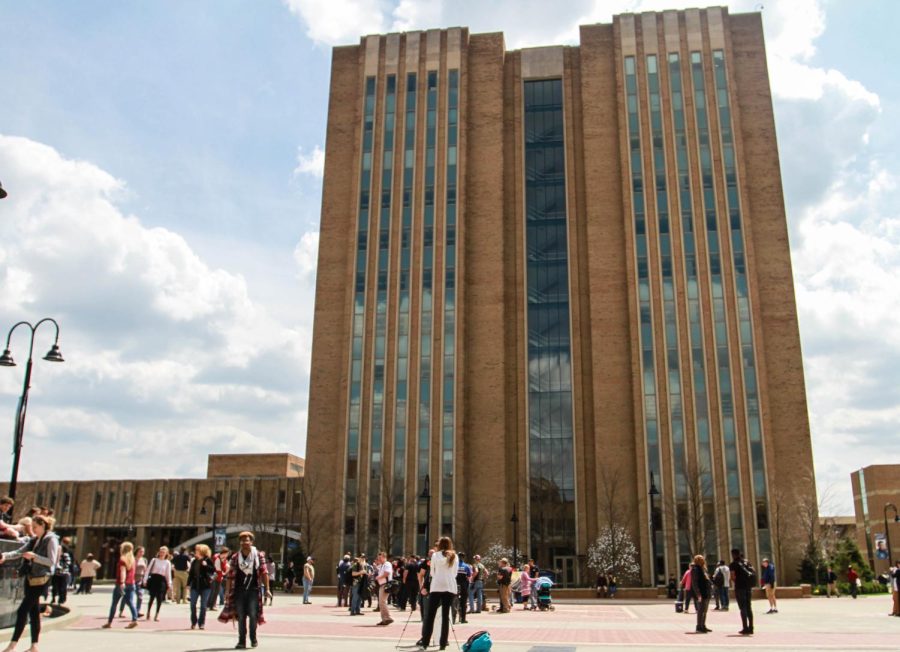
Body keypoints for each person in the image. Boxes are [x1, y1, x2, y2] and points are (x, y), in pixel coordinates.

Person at [0, 514, 60, 652]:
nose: (32, 529)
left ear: (43, 526)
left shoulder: (51, 540)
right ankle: (34, 646)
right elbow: (20, 551)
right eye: (32, 527)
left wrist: (35, 557)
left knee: (22, 611)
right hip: (30, 579)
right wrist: (5, 556)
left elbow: (51, 562)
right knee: (33, 611)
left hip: (42, 580)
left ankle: (12, 645)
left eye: (35, 527)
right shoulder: (34, 540)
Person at [218, 531, 271, 650]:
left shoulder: (258, 555)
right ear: (240, 543)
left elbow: (264, 572)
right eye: (242, 541)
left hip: (254, 590)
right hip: (239, 590)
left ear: (251, 542)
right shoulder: (236, 557)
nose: (245, 543)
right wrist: (227, 591)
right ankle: (241, 641)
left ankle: (253, 638)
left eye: (247, 540)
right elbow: (230, 575)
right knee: (241, 616)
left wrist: (267, 588)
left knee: (253, 615)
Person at [417, 538, 458, 651]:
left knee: (431, 615)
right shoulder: (455, 556)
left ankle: (425, 642)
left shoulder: (435, 555)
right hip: (449, 586)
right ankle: (443, 643)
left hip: (436, 586)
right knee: (445, 616)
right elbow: (454, 573)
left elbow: (432, 572)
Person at [102, 541, 139, 630]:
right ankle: (134, 619)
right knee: (130, 602)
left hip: (121, 584)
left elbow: (123, 571)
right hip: (131, 583)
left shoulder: (122, 559)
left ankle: (109, 622)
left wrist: (122, 582)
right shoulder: (133, 560)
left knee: (114, 603)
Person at [187, 544, 215, 630]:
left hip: (205, 586)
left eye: (197, 550)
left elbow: (213, 570)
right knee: (192, 604)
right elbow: (191, 573)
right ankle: (193, 621)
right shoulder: (194, 561)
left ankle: (201, 622)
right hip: (195, 585)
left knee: (203, 606)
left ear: (202, 551)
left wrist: (206, 565)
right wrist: (188, 584)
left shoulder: (208, 560)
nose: (196, 551)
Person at [143, 546, 173, 621]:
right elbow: (148, 570)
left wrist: (169, 584)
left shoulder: (167, 562)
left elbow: (168, 574)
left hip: (162, 580)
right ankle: (148, 612)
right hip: (154, 579)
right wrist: (145, 580)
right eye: (161, 551)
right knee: (151, 597)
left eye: (163, 552)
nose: (162, 553)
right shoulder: (154, 560)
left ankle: (157, 614)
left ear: (166, 553)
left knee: (159, 598)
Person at [730, 548, 755, 635]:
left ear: (733, 554)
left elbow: (733, 577)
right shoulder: (747, 562)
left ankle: (745, 627)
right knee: (749, 607)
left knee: (742, 608)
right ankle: (751, 627)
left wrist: (737, 581)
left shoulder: (733, 564)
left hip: (740, 588)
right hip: (748, 587)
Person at [121, 546, 147, 618]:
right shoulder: (132, 559)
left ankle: (137, 611)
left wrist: (145, 578)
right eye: (140, 551)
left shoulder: (144, 560)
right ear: (137, 552)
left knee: (140, 596)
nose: (142, 553)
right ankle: (121, 611)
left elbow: (145, 570)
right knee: (126, 596)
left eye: (143, 552)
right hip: (131, 579)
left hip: (140, 579)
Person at [690, 555, 712, 634]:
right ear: (697, 561)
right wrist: (698, 593)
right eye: (701, 560)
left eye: (703, 559)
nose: (703, 561)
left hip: (706, 592)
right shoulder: (695, 569)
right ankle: (699, 626)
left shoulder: (703, 569)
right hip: (701, 592)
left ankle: (703, 625)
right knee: (701, 610)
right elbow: (694, 583)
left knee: (705, 610)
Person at [374, 551, 394, 625]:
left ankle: (387, 618)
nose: (378, 559)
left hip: (385, 584)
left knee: (382, 602)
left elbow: (387, 573)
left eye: (380, 557)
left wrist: (378, 577)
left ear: (384, 557)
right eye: (378, 558)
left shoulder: (387, 564)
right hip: (382, 584)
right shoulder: (382, 565)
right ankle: (384, 619)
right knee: (381, 602)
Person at [51, 537, 72, 606]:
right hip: (58, 573)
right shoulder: (55, 556)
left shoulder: (65, 554)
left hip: (62, 573)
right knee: (56, 587)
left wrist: (62, 567)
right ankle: (56, 598)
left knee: (61, 587)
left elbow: (68, 563)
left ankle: (60, 599)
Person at [455, 553, 472, 621]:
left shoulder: (454, 565)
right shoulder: (467, 566)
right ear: (463, 558)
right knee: (463, 602)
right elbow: (469, 576)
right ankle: (463, 619)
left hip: (454, 586)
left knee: (453, 602)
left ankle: (452, 618)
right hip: (463, 586)